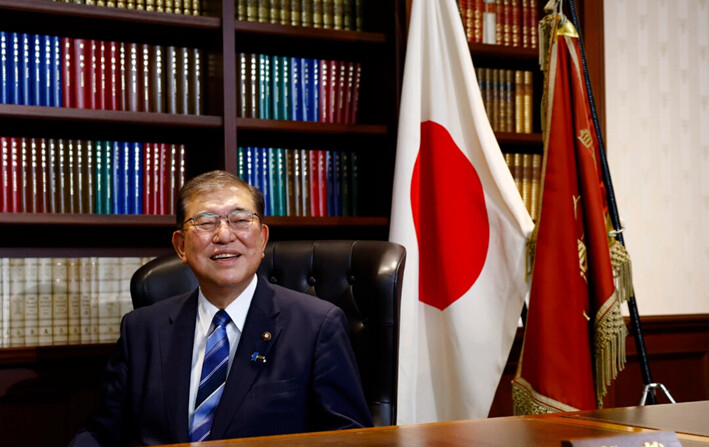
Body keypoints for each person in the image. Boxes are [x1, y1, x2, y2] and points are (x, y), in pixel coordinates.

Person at [69, 170, 372, 446]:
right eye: (205, 222)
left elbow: (350, 438)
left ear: (262, 238)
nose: (224, 235)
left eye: (240, 220)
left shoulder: (316, 326)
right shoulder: (142, 329)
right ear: (180, 247)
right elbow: (101, 432)